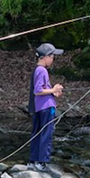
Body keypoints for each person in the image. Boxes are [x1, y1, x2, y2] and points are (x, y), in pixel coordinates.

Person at [28, 43, 64, 171]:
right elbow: (37, 91)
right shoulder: (42, 70)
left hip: (40, 107)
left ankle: (33, 161)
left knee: (37, 133)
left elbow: (42, 90)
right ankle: (42, 162)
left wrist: (53, 92)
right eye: (52, 56)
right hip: (46, 108)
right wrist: (53, 89)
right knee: (46, 135)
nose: (53, 58)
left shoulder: (38, 70)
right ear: (45, 57)